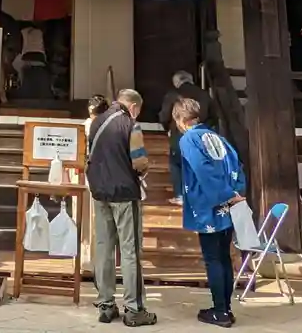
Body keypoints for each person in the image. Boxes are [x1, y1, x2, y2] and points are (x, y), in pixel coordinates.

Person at [173, 97, 248, 328]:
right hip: (229, 203)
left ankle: (220, 312)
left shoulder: (189, 139)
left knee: (213, 259)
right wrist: (236, 192)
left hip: (209, 205)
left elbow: (202, 169)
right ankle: (225, 308)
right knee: (224, 257)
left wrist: (224, 194)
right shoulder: (218, 138)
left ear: (180, 120)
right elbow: (237, 166)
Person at [86, 88, 157, 327]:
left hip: (99, 193)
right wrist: (145, 169)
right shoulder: (130, 125)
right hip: (125, 194)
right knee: (130, 251)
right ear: (134, 107)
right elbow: (139, 162)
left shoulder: (96, 122)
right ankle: (134, 309)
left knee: (103, 248)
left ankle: (105, 305)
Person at [158, 71, 214, 205]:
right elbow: (214, 115)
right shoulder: (204, 94)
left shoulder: (173, 95)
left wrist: (168, 129)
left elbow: (164, 116)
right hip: (200, 134)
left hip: (179, 133)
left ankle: (180, 195)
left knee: (176, 163)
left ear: (177, 82)